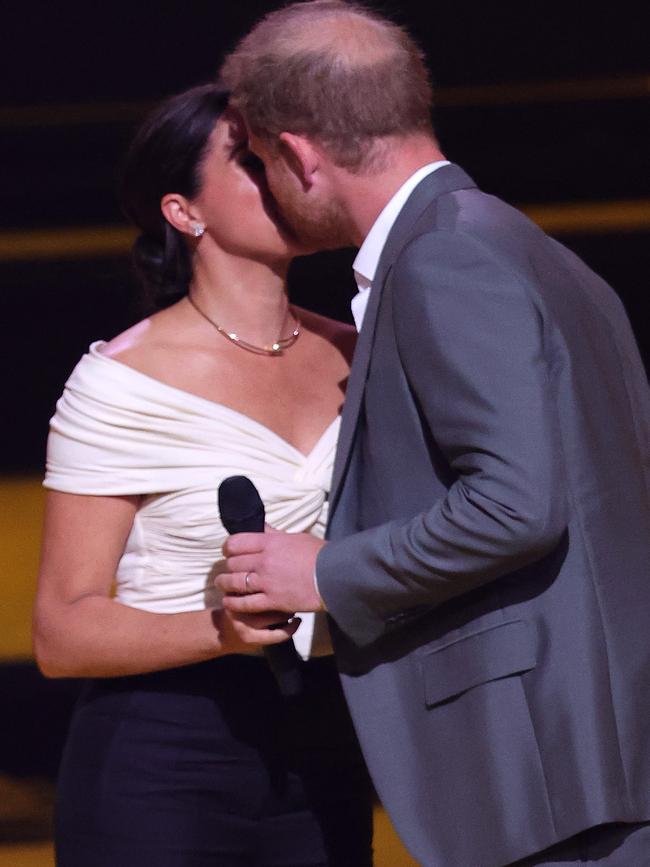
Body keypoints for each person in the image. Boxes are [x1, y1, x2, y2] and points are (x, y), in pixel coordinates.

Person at [215, 3, 650, 865]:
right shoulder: (535, 250)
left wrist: (325, 571)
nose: (266, 187)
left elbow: (516, 504)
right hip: (590, 753)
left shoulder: (443, 259)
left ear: (298, 153)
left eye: (262, 161)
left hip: (548, 771)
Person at [32, 82, 373, 867]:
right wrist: (216, 630)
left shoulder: (362, 352)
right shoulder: (124, 380)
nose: (283, 169)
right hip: (162, 756)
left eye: (286, 151)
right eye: (250, 159)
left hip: (329, 739)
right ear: (184, 211)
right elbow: (61, 629)